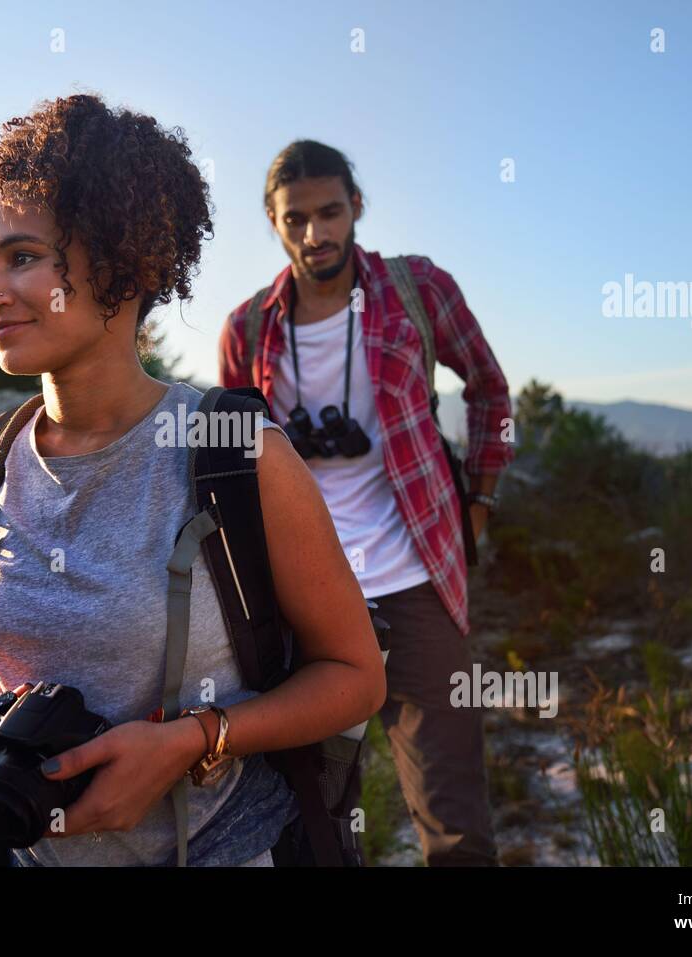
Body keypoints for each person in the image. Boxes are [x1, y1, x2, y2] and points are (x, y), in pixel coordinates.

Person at [0, 97, 386, 867]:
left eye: (22, 257)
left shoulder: (235, 453)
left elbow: (354, 677)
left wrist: (195, 739)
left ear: (121, 262)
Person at [219, 140, 514, 866]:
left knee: (455, 821)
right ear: (272, 220)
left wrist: (477, 503)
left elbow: (489, 389)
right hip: (303, 596)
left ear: (357, 208)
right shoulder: (249, 327)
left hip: (413, 581)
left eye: (330, 212)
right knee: (310, 820)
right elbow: (227, 457)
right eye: (297, 219)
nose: (316, 233)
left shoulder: (418, 289)